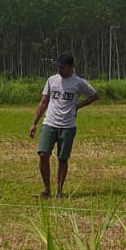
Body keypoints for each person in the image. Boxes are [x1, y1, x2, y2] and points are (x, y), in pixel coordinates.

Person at [29, 53, 99, 198]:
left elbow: (94, 95)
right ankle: (47, 189)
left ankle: (59, 191)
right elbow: (43, 102)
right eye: (58, 67)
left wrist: (77, 106)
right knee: (43, 154)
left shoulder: (78, 82)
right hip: (50, 123)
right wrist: (34, 123)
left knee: (62, 158)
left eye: (63, 67)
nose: (60, 70)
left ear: (71, 67)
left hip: (67, 126)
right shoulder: (52, 81)